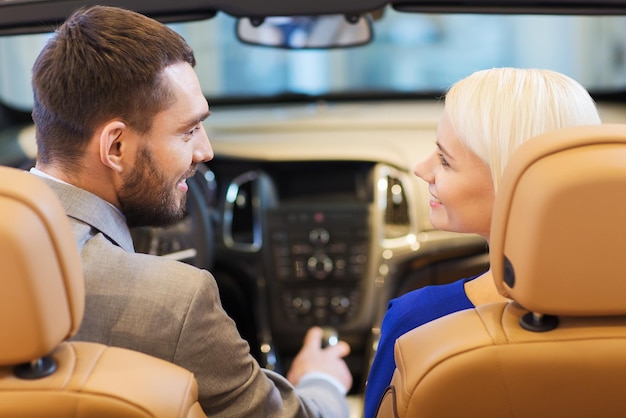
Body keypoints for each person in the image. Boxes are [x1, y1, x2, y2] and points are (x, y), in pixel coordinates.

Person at [29, 5, 352, 417]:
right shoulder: (175, 301)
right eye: (188, 131)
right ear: (115, 148)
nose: (205, 151)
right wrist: (321, 380)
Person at [363, 67, 602, 418]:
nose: (421, 169)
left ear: (511, 181)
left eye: (445, 160)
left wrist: (323, 385)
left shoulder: (418, 322)